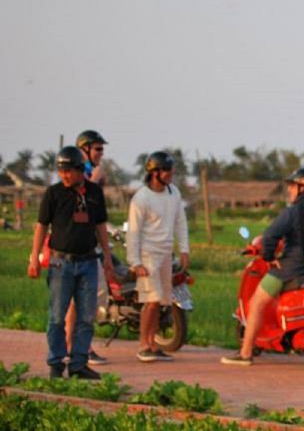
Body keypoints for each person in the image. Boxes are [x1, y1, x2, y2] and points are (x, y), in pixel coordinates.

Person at [222, 168, 304, 366]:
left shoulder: (293, 211)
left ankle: (245, 353)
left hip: (292, 268)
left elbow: (270, 235)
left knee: (256, 302)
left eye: (292, 186)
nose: (289, 190)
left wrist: (269, 257)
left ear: (301, 188)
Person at [27, 146, 115, 380]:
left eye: (68, 171)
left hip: (88, 262)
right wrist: (34, 258)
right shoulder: (53, 193)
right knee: (57, 316)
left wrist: (107, 257)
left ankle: (78, 364)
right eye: (60, 171)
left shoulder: (95, 193)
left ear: (79, 171)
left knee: (86, 317)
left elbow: (101, 226)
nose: (64, 176)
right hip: (60, 263)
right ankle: (56, 363)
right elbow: (41, 226)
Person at [126, 151, 190, 363]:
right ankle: (144, 345)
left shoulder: (173, 193)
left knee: (162, 301)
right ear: (155, 172)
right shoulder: (141, 198)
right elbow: (133, 232)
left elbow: (180, 222)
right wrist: (135, 262)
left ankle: (153, 344)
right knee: (151, 301)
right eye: (167, 170)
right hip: (148, 255)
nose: (171, 174)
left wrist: (184, 250)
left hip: (166, 253)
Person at [65, 129, 110, 365]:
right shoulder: (76, 175)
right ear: (84, 149)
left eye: (102, 149)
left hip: (91, 243)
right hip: (75, 245)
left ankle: (77, 346)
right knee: (81, 298)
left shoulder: (93, 174)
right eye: (97, 149)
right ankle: (77, 347)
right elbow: (76, 202)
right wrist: (95, 181)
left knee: (86, 298)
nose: (101, 153)